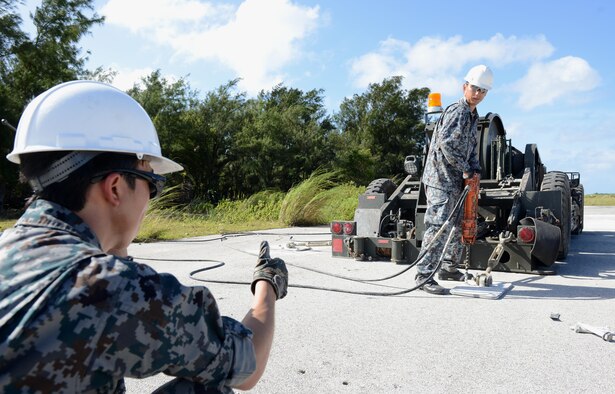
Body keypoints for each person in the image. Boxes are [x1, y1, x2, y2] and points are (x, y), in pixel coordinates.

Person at [0, 80, 288, 393]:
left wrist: (114, 243)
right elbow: (247, 365)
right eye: (152, 183)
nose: (151, 197)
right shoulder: (110, 286)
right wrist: (267, 284)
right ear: (115, 188)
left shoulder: (10, 249)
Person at [415, 65, 493, 295]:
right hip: (440, 179)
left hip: (455, 181)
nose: (478, 94)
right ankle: (423, 275)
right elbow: (446, 144)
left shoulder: (472, 114)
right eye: (475, 89)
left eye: (483, 91)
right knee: (437, 226)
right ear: (465, 87)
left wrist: (475, 170)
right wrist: (466, 169)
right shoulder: (457, 112)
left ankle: (448, 268)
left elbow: (470, 148)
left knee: (457, 225)